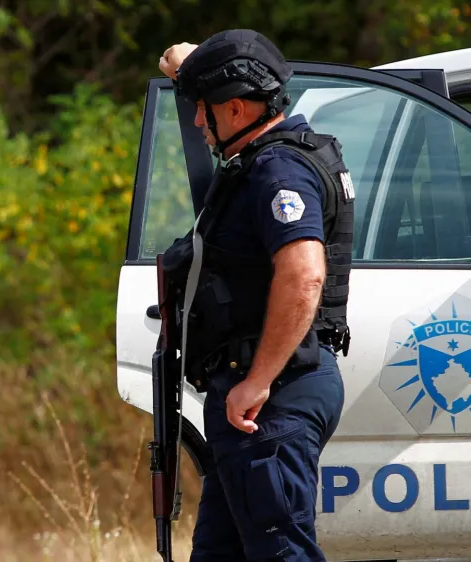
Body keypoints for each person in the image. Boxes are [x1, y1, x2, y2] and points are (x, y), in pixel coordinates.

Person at [158, 30, 353, 561]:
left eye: (205, 110)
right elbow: (210, 74)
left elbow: (304, 274)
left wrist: (258, 380)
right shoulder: (278, 148)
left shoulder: (277, 170)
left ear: (238, 110)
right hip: (262, 393)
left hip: (271, 395)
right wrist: (191, 66)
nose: (197, 122)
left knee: (281, 552)